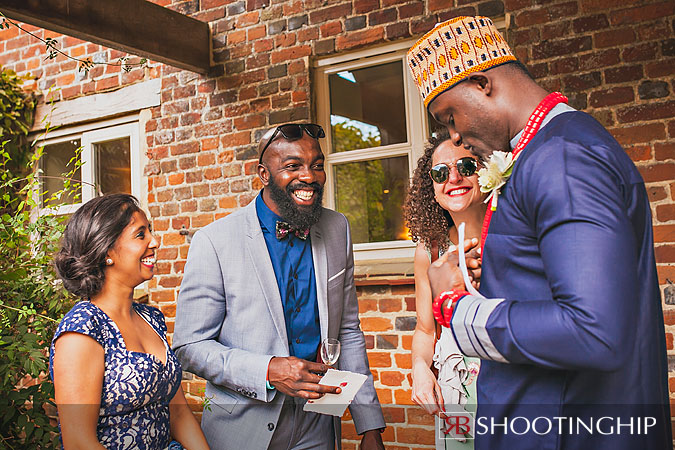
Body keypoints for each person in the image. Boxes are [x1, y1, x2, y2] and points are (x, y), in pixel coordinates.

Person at [406, 16, 671, 449]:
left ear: (481, 83)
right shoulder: (547, 151)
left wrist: (454, 306)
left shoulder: (563, 158)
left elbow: (592, 330)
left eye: (449, 115)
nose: (454, 134)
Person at [172, 123, 386, 450]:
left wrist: (369, 426)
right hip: (242, 427)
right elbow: (190, 346)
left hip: (319, 423)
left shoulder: (336, 227)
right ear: (263, 173)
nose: (310, 176)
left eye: (316, 165)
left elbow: (347, 328)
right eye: (292, 166)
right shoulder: (214, 241)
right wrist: (269, 370)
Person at [50, 194, 209, 450]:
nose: (154, 242)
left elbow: (178, 414)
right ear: (107, 251)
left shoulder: (152, 318)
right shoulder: (82, 329)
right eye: (140, 234)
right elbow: (79, 442)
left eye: (151, 232)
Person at [404, 131, 486, 448]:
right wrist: (420, 369)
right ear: (433, 190)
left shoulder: (516, 237)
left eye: (466, 166)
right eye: (440, 173)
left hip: (512, 389)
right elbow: (426, 329)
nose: (453, 178)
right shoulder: (430, 250)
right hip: (457, 392)